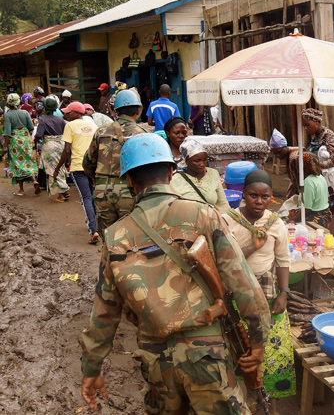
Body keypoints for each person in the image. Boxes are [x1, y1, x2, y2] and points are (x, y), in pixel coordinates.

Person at [79, 133, 270, 414]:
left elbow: (104, 312)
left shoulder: (115, 235)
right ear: (171, 172)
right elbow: (243, 284)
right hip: (208, 355)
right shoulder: (204, 215)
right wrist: (258, 342)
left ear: (130, 180)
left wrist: (92, 367)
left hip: (155, 361)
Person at [222, 170, 295, 406]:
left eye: (265, 197)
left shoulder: (276, 224)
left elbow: (283, 260)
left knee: (268, 347)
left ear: (271, 197)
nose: (259, 201)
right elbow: (225, 261)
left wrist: (284, 293)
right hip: (234, 290)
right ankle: (237, 397)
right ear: (244, 194)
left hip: (266, 291)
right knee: (237, 344)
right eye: (254, 195)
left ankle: (265, 396)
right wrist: (253, 247)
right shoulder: (228, 221)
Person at [82, 90, 149, 234]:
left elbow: (87, 163)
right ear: (137, 111)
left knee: (108, 237)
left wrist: (96, 178)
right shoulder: (142, 134)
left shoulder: (101, 131)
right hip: (130, 192)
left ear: (116, 111)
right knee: (130, 235)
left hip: (102, 192)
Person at [54, 102, 99, 244]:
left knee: (85, 197)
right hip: (93, 167)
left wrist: (57, 168)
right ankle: (98, 225)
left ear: (77, 113)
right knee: (93, 196)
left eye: (68, 112)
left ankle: (93, 229)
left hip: (78, 167)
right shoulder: (93, 126)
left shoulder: (70, 126)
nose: (65, 115)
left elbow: (66, 150)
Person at [170, 137, 230, 213]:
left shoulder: (213, 174)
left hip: (212, 221)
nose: (202, 164)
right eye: (197, 161)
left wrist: (225, 220)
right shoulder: (175, 179)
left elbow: (222, 203)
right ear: (186, 161)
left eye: (205, 160)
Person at [2, 93, 40, 196]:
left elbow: (7, 132)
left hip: (14, 141)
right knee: (28, 161)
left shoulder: (8, 115)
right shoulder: (25, 112)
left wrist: (5, 146)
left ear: (8, 104)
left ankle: (21, 189)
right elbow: (31, 127)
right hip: (25, 139)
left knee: (17, 164)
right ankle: (34, 181)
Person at [34, 98, 69, 202]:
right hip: (61, 144)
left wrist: (34, 141)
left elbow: (39, 134)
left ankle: (61, 195)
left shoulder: (43, 120)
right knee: (60, 167)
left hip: (49, 146)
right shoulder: (60, 119)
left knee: (52, 170)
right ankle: (65, 191)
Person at [292, 152, 332, 227]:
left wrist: (291, 220)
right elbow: (328, 199)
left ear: (301, 168)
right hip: (327, 216)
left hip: (316, 218)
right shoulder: (321, 177)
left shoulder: (308, 182)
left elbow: (307, 210)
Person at [269, 129, 300, 198]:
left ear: (285, 147)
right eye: (275, 154)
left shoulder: (294, 157)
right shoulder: (288, 155)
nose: (278, 155)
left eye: (280, 152)